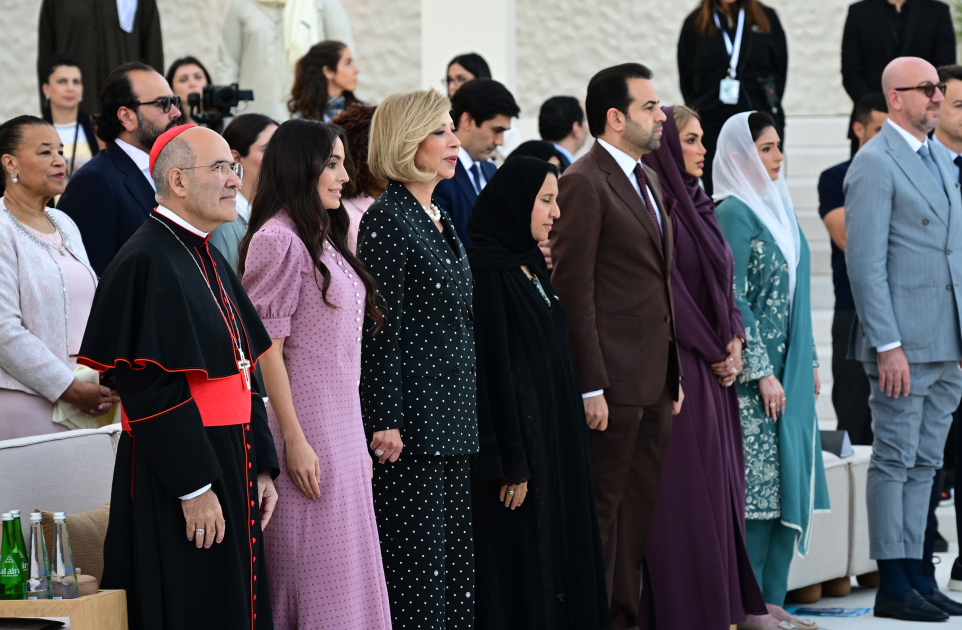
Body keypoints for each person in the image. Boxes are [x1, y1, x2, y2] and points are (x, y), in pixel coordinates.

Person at [78, 124, 279, 630]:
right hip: (182, 467)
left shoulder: (206, 252)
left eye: (234, 167)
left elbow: (244, 366)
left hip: (230, 454)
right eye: (220, 168)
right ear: (178, 181)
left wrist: (261, 464)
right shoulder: (146, 259)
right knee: (193, 603)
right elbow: (147, 384)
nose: (234, 179)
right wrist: (193, 488)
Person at [240, 119, 391, 630]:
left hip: (342, 431)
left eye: (343, 163)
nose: (345, 176)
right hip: (304, 433)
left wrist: (355, 438)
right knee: (315, 581)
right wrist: (295, 441)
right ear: (299, 166)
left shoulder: (323, 235)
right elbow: (267, 353)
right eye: (331, 164)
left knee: (350, 578)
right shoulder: (277, 240)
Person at [549, 63, 683, 630]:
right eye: (649, 107)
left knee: (636, 520)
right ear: (615, 117)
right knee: (601, 519)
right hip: (610, 384)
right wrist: (590, 384)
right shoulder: (584, 180)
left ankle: (624, 619)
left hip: (654, 379)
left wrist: (673, 372)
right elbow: (572, 290)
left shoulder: (648, 178)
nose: (661, 116)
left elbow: (656, 283)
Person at [637, 105, 770, 630]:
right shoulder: (661, 208)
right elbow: (670, 291)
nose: (701, 149)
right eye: (690, 140)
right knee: (688, 495)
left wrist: (734, 336)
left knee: (720, 489)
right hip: (684, 366)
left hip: (717, 367)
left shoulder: (700, 204)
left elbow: (724, 283)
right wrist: (716, 348)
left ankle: (723, 608)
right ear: (668, 147)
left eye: (702, 139)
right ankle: (689, 613)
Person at [466, 156, 609, 630]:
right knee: (527, 565)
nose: (556, 213)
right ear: (516, 203)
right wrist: (512, 461)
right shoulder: (487, 274)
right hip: (523, 455)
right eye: (546, 201)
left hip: (556, 443)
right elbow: (493, 372)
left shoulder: (528, 265)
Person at [844, 56, 962, 621]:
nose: (937, 97)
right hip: (902, 346)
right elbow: (865, 265)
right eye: (927, 88)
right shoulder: (874, 163)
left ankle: (918, 573)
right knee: (894, 460)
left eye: (938, 88)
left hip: (946, 342)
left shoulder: (941, 157)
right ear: (895, 97)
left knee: (926, 464)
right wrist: (887, 344)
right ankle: (893, 582)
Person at [357, 88, 478, 630]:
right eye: (440, 131)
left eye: (452, 129)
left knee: (454, 574)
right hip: (412, 430)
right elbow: (381, 329)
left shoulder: (438, 215)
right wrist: (386, 418)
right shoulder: (387, 218)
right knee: (420, 579)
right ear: (407, 142)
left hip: (452, 420)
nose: (454, 141)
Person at [713, 111, 829, 621]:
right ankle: (750, 604)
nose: (779, 157)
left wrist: (811, 360)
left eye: (779, 146)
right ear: (740, 157)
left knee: (787, 484)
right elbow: (733, 297)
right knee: (758, 492)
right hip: (754, 379)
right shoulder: (733, 213)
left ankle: (774, 602)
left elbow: (798, 295)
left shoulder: (779, 208)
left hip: (792, 370)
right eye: (766, 148)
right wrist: (761, 371)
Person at [0, 115, 115, 440]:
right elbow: (4, 330)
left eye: (61, 151)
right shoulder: (2, 228)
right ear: (10, 163)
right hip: (29, 402)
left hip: (91, 395)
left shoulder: (64, 221)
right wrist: (67, 388)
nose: (59, 160)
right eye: (45, 152)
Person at [57, 62, 182, 276]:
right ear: (126, 117)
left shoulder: (171, 171)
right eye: (163, 103)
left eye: (175, 101)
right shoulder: (94, 182)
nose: (176, 112)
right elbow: (91, 278)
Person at [818, 93, 888, 448]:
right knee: (854, 413)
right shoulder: (836, 177)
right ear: (858, 129)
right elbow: (849, 239)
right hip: (853, 309)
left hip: (908, 308)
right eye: (879, 130)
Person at [677, 0, 788, 196]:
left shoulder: (766, 18)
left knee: (762, 194)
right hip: (712, 127)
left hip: (758, 125)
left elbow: (780, 73)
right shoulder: (695, 24)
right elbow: (687, 81)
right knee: (720, 194)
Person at [841, 0, 955, 153]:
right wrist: (881, 107)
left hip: (924, 121)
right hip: (873, 123)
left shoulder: (937, 11)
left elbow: (943, 71)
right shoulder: (859, 12)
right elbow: (851, 73)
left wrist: (920, 104)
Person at [216, 0, 354, 122]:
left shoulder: (325, 3)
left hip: (309, 116)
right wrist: (227, 116)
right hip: (251, 116)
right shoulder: (241, 4)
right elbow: (227, 63)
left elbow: (343, 59)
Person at [933, 64, 962, 594]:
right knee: (931, 458)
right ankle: (915, 564)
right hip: (931, 338)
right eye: (959, 104)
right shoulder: (918, 167)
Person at [433, 78, 520, 244]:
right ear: (468, 120)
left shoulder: (491, 170)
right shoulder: (439, 173)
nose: (500, 141)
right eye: (497, 130)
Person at [37, 0, 164, 113]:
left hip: (125, 110)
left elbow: (153, 52)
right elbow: (46, 56)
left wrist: (156, 106)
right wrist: (48, 111)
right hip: (75, 112)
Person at [210, 114, 278, 272]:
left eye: (283, 150)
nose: (280, 158)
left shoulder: (273, 213)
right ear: (236, 158)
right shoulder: (224, 225)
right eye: (268, 150)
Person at [331, 104, 386, 252]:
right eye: (382, 154)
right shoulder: (344, 215)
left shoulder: (409, 200)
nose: (393, 162)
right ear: (357, 156)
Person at [41, 54, 100, 185]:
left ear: (82, 89)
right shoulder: (35, 132)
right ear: (46, 89)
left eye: (76, 82)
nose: (70, 88)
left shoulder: (98, 129)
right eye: (62, 81)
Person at [289, 41, 361, 122]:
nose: (357, 70)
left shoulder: (363, 113)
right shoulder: (301, 119)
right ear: (328, 71)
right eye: (348, 63)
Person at [538, 96, 588, 169]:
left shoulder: (529, 160)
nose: (587, 128)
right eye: (585, 120)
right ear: (576, 128)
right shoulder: (562, 170)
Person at [166, 56, 213, 126]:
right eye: (183, 80)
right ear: (171, 88)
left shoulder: (224, 121)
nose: (192, 84)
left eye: (198, 77)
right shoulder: (166, 125)